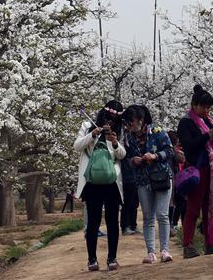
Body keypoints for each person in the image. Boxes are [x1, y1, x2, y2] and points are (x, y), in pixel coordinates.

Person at [74, 100, 127, 271]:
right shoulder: (88, 125)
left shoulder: (119, 131)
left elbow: (122, 155)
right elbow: (77, 146)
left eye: (114, 120)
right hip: (92, 182)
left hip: (111, 182)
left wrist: (115, 143)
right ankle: (92, 259)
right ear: (103, 115)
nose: (110, 123)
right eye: (108, 118)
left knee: (113, 221)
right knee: (93, 222)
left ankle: (112, 258)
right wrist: (93, 134)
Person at [177, 84, 213, 258]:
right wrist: (207, 136)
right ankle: (188, 244)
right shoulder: (186, 122)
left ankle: (210, 243)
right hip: (197, 170)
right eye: (203, 107)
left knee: (210, 208)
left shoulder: (211, 121)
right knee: (193, 209)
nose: (206, 110)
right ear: (194, 105)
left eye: (209, 107)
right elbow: (189, 146)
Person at [123, 105, 175, 264]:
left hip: (161, 178)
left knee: (162, 214)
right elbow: (126, 158)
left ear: (140, 119)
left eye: (131, 121)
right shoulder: (128, 137)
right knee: (147, 217)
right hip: (142, 180)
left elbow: (170, 151)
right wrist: (134, 161)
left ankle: (165, 250)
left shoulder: (158, 132)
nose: (129, 124)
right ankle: (151, 252)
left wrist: (155, 156)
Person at [167, 130, 186, 236]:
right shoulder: (172, 150)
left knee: (171, 204)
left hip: (166, 179)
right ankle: (170, 227)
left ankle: (170, 226)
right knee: (172, 204)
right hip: (172, 180)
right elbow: (181, 159)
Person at [120, 156, 139, 235]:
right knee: (127, 202)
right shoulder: (123, 144)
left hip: (135, 175)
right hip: (126, 176)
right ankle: (125, 226)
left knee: (135, 202)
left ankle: (133, 225)